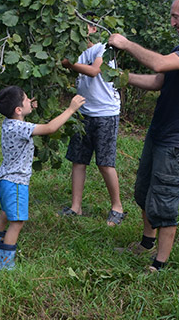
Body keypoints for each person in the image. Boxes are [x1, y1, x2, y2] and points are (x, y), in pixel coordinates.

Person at [108, 0, 179, 272]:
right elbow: (159, 80)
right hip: (159, 130)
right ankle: (147, 243)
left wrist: (125, 44)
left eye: (175, 16)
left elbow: (159, 64)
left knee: (164, 199)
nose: (172, 22)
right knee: (144, 192)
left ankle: (159, 264)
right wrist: (119, 77)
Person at [0, 86, 85, 270]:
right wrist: (71, 109)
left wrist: (28, 106)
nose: (29, 101)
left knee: (5, 214)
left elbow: (22, 119)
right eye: (25, 99)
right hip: (17, 183)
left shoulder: (9, 124)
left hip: (6, 181)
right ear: (18, 110)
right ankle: (5, 264)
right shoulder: (21, 128)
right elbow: (50, 128)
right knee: (17, 222)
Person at [59, 17, 125, 226]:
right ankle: (75, 207)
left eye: (83, 25)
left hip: (105, 113)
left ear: (94, 28)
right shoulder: (75, 51)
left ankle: (117, 207)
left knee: (105, 162)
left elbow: (95, 70)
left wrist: (70, 64)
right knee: (78, 160)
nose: (77, 30)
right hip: (83, 112)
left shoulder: (103, 48)